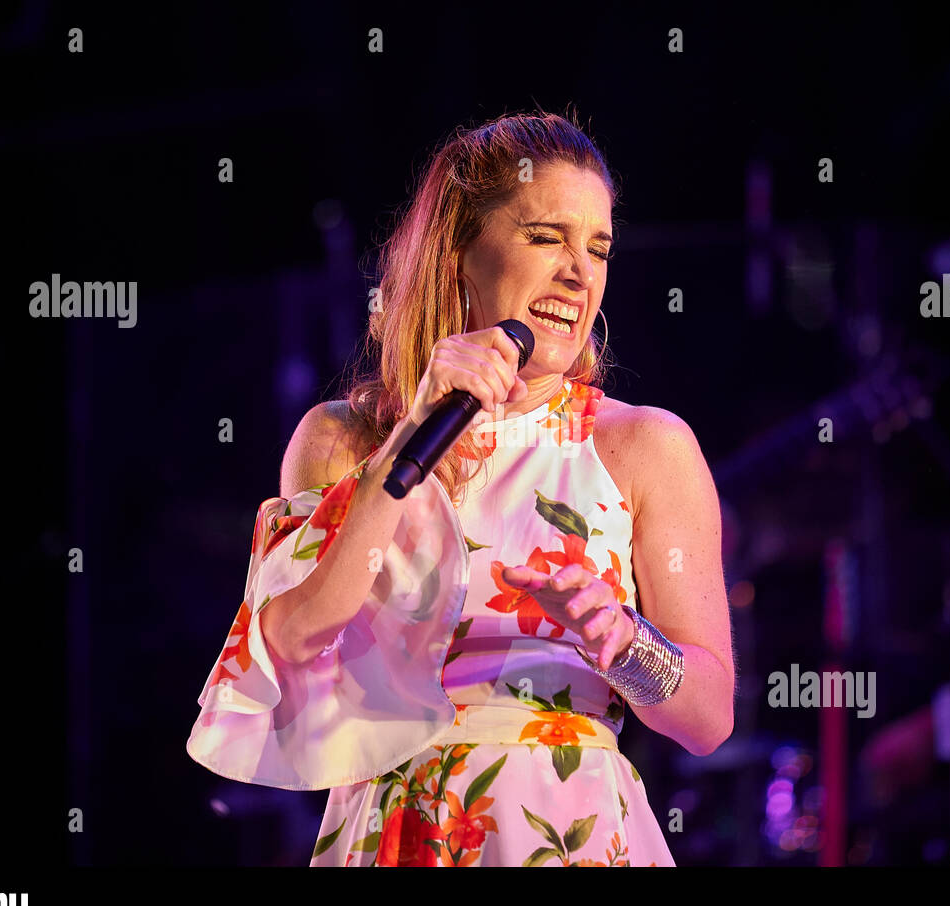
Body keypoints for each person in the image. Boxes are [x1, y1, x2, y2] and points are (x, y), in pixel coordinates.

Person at [186, 109, 734, 866]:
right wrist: (405, 445)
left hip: (564, 828)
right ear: (459, 252)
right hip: (391, 830)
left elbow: (708, 717)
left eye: (598, 248)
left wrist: (622, 638)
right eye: (546, 237)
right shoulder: (343, 439)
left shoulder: (643, 444)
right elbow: (285, 643)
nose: (579, 271)